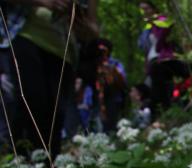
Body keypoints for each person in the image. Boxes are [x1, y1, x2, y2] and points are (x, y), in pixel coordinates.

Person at [0, 0, 99, 159]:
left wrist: (80, 22)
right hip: (24, 36)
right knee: (30, 104)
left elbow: (93, 30)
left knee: (55, 117)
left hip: (64, 51)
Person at [137, 1, 189, 117]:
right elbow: (145, 47)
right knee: (152, 92)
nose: (145, 12)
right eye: (142, 10)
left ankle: (170, 113)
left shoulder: (163, 20)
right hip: (153, 63)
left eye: (147, 9)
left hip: (165, 61)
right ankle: (159, 117)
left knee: (166, 90)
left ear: (154, 8)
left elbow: (167, 39)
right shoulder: (147, 27)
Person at [95, 38, 126, 132]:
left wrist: (112, 70)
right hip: (98, 102)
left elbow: (123, 82)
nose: (101, 53)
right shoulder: (95, 65)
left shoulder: (115, 64)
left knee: (112, 126)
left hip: (114, 99)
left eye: (103, 50)